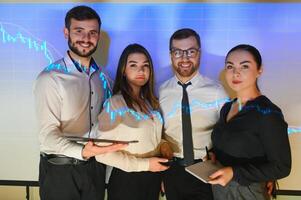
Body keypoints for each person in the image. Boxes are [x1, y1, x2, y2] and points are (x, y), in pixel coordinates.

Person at [34, 5, 125, 200]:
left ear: (98, 36)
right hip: (60, 173)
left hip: (95, 170)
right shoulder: (50, 78)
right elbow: (47, 136)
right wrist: (82, 151)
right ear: (66, 32)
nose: (86, 38)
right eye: (79, 31)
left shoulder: (105, 79)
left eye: (92, 32)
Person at [209, 44, 291, 199]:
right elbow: (231, 144)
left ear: (259, 70)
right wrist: (214, 154)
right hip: (220, 190)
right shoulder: (227, 107)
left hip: (249, 192)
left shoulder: (268, 113)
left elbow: (281, 167)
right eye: (230, 66)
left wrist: (234, 172)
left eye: (244, 66)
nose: (236, 73)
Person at [159, 28, 228, 200]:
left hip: (207, 169)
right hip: (172, 171)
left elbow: (231, 133)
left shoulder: (217, 91)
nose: (184, 58)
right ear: (171, 55)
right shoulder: (159, 91)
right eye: (177, 52)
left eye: (190, 51)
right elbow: (155, 133)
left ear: (199, 53)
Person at [95, 43, 170, 200]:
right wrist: (146, 165)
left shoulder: (150, 102)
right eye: (133, 65)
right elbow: (101, 154)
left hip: (153, 178)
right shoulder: (115, 104)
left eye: (145, 65)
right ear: (124, 70)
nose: (141, 70)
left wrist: (163, 145)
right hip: (128, 181)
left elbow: (149, 137)